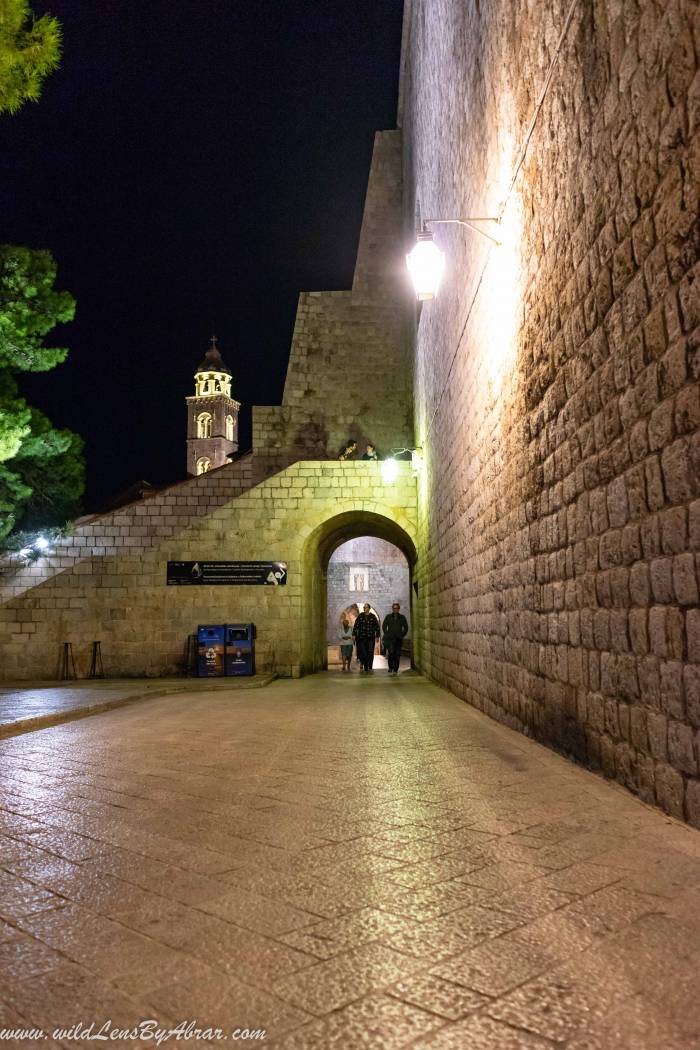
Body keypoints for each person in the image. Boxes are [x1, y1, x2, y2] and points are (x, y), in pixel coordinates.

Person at [382, 602, 409, 675]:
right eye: (394, 608)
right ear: (392, 609)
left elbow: (406, 627)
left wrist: (402, 635)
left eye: (396, 608)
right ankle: (391, 667)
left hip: (398, 639)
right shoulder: (388, 617)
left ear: (399, 609)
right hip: (390, 639)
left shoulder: (402, 617)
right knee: (391, 654)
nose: (395, 610)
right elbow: (384, 625)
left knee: (397, 655)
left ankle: (396, 669)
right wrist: (387, 633)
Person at [353, 602, 380, 674]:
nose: (365, 608)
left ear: (369, 608)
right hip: (362, 637)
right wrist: (354, 634)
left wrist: (377, 636)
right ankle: (365, 666)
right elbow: (356, 625)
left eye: (366, 607)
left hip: (371, 638)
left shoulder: (373, 616)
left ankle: (370, 666)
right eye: (364, 607)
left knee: (370, 652)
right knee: (364, 653)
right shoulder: (360, 616)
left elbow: (377, 627)